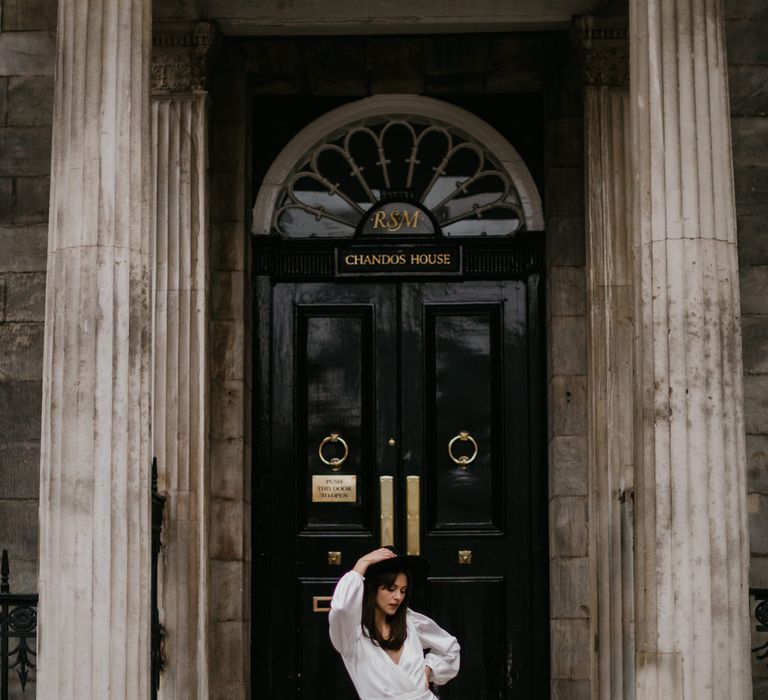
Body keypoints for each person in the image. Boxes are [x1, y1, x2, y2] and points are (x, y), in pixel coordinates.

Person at [329, 547, 460, 700]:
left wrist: (429, 668)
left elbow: (450, 647)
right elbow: (341, 608)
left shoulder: (410, 623)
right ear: (373, 589)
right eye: (391, 589)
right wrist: (362, 563)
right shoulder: (352, 636)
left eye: (403, 590)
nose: (398, 597)